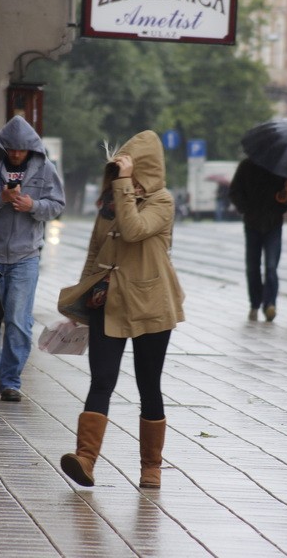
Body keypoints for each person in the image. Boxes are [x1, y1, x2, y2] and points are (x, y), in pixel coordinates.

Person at [57, 130, 185, 489]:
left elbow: (133, 230)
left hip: (151, 305)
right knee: (102, 379)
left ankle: (151, 467)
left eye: (125, 169)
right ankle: (84, 459)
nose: (117, 176)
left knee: (149, 384)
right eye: (114, 170)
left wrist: (125, 185)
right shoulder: (112, 201)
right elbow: (95, 254)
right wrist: (78, 305)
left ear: (145, 169)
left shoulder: (162, 202)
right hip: (108, 303)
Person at [0, 116, 65, 401]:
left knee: (17, 319)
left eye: (21, 149)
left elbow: (57, 206)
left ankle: (11, 380)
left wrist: (32, 205)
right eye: (10, 148)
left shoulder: (45, 170)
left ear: (32, 149)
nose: (15, 154)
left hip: (25, 256)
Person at [228, 158, 287, 322]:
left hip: (273, 224)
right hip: (252, 223)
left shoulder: (280, 168)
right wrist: (245, 209)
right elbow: (234, 191)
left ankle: (270, 304)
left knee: (271, 266)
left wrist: (285, 197)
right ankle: (255, 304)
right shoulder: (247, 166)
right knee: (253, 267)